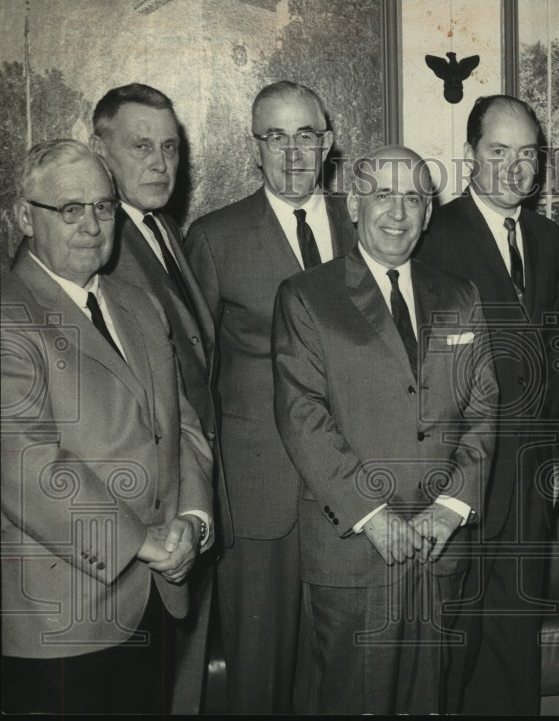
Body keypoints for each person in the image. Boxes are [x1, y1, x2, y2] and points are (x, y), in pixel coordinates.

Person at [272, 145, 497, 714]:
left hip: (440, 544)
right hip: (356, 549)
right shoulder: (306, 296)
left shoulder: (460, 294)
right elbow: (303, 416)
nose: (398, 212)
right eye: (382, 195)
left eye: (414, 198)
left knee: (433, 700)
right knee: (353, 700)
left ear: (429, 212)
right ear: (354, 204)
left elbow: (483, 405)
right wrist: (373, 515)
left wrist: (453, 505)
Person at [1, 140, 213, 714]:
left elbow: (183, 428)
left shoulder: (136, 302)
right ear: (24, 216)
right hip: (60, 620)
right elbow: (27, 466)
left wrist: (192, 521)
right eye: (70, 209)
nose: (92, 225)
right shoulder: (8, 314)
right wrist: (142, 541)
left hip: (155, 598)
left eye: (103, 207)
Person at [185, 81, 356, 714]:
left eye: (305, 135)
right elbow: (192, 383)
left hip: (351, 489)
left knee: (337, 672)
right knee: (258, 679)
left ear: (328, 143)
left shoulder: (363, 222)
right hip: (261, 496)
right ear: (255, 147)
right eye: (275, 137)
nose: (291, 153)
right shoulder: (215, 237)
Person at [414, 95, 559, 714]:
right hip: (459, 482)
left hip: (529, 481)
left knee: (514, 640)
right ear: (471, 155)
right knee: (453, 645)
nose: (514, 168)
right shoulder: (434, 236)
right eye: (498, 152)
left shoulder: (550, 238)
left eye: (527, 154)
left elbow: (556, 354)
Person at [90, 82, 224, 714]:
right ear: (100, 149)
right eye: (140, 145)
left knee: (180, 682)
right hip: (137, 519)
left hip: (186, 501)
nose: (159, 162)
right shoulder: (99, 249)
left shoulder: (162, 230)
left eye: (169, 147)